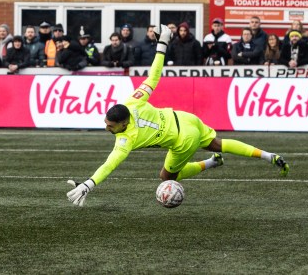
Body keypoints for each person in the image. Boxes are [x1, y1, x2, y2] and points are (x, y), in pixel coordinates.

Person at [66, 25, 290, 207]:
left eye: (111, 126)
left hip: (183, 140)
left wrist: (89, 184)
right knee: (218, 143)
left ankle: (209, 164)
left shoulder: (126, 140)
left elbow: (109, 164)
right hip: (185, 118)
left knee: (166, 177)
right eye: (106, 123)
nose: (107, 128)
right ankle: (269, 156)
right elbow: (153, 77)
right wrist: (162, 44)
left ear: (123, 123)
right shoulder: (132, 101)